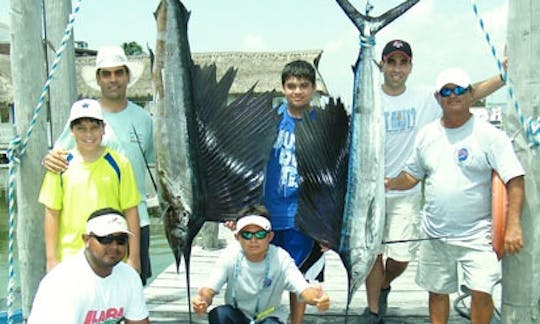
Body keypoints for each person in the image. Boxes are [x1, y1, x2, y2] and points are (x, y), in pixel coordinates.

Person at [362, 39, 508, 323]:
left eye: (403, 62)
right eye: (391, 61)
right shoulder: (368, 99)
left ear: (410, 67)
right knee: (371, 254)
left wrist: (504, 76)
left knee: (401, 257)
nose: (397, 68)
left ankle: (384, 285)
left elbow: (469, 93)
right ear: (381, 65)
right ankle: (373, 311)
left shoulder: (425, 98)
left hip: (405, 189)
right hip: (370, 192)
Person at [385, 67, 525, 323]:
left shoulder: (490, 135)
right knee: (437, 293)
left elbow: (515, 178)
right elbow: (411, 176)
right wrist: (388, 183)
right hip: (435, 233)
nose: (453, 95)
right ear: (438, 98)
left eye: (459, 89)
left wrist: (513, 225)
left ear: (471, 94)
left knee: (481, 293)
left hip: (478, 235)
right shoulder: (427, 134)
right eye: (446, 91)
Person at [43, 45, 155, 285]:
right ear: (98, 78)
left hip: (136, 221)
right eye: (106, 73)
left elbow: (162, 164)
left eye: (118, 72)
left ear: (127, 76)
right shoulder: (84, 116)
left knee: (129, 293)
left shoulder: (145, 120)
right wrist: (48, 158)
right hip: (89, 232)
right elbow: (59, 156)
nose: (113, 79)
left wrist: (133, 256)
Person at [38, 98, 141, 273]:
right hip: (70, 257)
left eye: (94, 128)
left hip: (112, 256)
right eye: (81, 128)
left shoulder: (120, 163)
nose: (88, 134)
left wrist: (133, 258)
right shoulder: (60, 165)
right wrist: (51, 259)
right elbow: (52, 213)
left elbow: (131, 211)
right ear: (71, 131)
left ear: (103, 128)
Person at [192, 206, 330, 324]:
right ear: (237, 237)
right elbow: (209, 289)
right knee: (220, 314)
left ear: (270, 237)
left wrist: (317, 299)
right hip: (237, 316)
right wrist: (202, 300)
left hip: (268, 317)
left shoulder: (281, 258)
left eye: (260, 234)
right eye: (246, 235)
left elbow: (303, 289)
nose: (253, 240)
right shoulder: (230, 255)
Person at [27, 208, 150, 324]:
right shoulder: (64, 282)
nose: (114, 247)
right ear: (86, 240)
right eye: (105, 239)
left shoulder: (130, 277)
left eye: (121, 240)